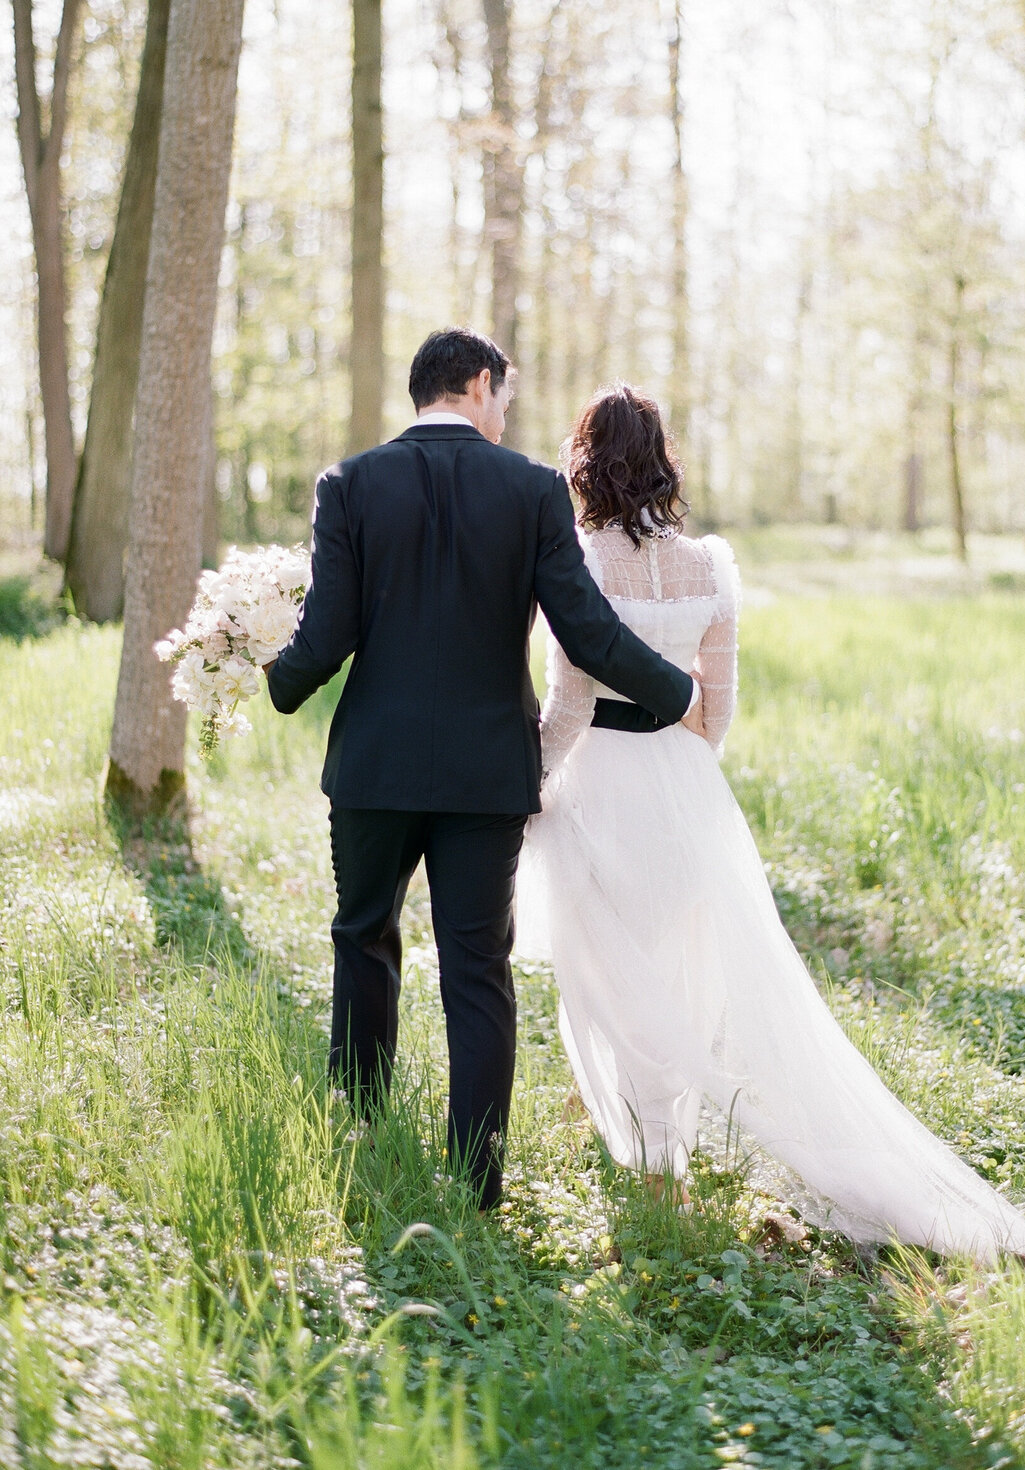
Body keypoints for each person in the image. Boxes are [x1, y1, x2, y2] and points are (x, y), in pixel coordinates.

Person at [517, 385, 1025, 1262]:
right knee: (676, 966)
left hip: (600, 786)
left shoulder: (575, 564)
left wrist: (530, 786)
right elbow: (719, 709)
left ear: (584, 463)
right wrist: (684, 777)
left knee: (614, 979)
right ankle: (663, 1148)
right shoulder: (707, 567)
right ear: (662, 459)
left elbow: (569, 704)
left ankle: (649, 1155)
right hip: (688, 791)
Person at [266, 330, 703, 1211]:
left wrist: (272, 678)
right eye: (503, 395)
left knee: (363, 941)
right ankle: (478, 1183)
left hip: (374, 771)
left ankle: (363, 1136)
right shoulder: (532, 489)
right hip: (486, 777)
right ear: (476, 384)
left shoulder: (349, 485)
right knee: (477, 968)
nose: (506, 412)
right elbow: (585, 632)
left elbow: (328, 635)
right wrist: (673, 691)